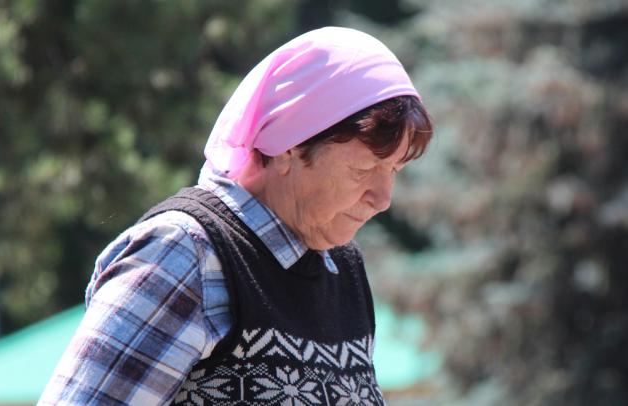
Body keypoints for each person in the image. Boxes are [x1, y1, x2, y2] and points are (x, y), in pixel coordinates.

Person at [39, 26, 433, 405]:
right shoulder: (185, 255)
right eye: (364, 169)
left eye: (394, 170)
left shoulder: (341, 267)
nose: (383, 199)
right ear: (289, 147)